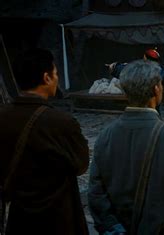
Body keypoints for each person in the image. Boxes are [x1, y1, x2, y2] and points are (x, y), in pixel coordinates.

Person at [88, 60, 164, 234]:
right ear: (157, 90)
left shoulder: (106, 136)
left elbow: (96, 193)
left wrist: (113, 226)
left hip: (120, 227)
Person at [0, 48, 89, 234]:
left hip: (20, 218)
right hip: (58, 218)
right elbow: (81, 164)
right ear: (46, 78)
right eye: (55, 74)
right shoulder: (62, 123)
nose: (57, 79)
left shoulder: (3, 117)